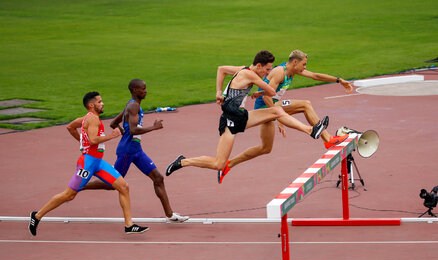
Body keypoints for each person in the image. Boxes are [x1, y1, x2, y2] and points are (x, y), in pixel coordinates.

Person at [165, 50, 329, 176]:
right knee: (219, 164)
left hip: (242, 116)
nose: (267, 73)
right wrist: (263, 89)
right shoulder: (252, 75)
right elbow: (271, 91)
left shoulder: (242, 69)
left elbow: (221, 69)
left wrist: (219, 92)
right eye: (267, 69)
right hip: (230, 121)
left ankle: (311, 130)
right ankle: (183, 161)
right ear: (258, 66)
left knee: (276, 111)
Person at [217, 49, 353, 183]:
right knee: (305, 104)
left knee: (265, 148)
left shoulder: (293, 70)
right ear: (295, 62)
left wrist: (338, 80)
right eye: (303, 64)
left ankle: (228, 165)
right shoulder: (279, 72)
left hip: (275, 106)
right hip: (266, 107)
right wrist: (278, 116)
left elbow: (315, 76)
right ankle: (327, 139)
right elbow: (266, 97)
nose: (305, 68)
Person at [29, 92, 149, 236]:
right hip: (87, 164)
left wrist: (82, 142)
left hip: (98, 162)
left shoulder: (87, 118)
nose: (103, 103)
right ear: (92, 105)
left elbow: (70, 127)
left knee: (123, 186)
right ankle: (37, 216)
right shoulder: (93, 119)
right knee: (69, 195)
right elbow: (92, 140)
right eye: (100, 101)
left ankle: (129, 225)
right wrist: (112, 136)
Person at [74, 79, 189, 223]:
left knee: (158, 178)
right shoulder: (133, 106)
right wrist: (154, 127)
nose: (146, 91)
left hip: (136, 150)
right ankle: (81, 185)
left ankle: (170, 215)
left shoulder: (132, 105)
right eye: (143, 89)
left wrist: (124, 133)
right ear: (135, 90)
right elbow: (134, 130)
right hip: (127, 152)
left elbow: (113, 123)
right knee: (112, 184)